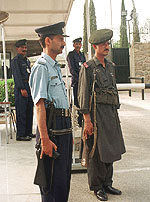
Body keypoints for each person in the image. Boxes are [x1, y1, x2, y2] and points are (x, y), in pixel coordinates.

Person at [78, 29, 126, 201]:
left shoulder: (111, 66)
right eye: (103, 44)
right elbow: (83, 95)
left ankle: (107, 182)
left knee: (111, 148)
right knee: (96, 151)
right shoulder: (88, 68)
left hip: (110, 114)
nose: (107, 47)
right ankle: (97, 186)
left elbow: (113, 91)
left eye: (107, 43)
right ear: (94, 46)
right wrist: (87, 121)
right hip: (96, 116)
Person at [29, 22, 72, 202]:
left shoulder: (54, 65)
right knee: (52, 184)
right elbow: (39, 106)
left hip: (63, 128)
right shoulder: (41, 67)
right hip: (52, 130)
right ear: (48, 41)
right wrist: (45, 139)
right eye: (60, 39)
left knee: (63, 182)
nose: (63, 43)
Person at [11, 39, 35, 141]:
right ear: (17, 49)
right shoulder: (15, 61)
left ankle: (28, 132)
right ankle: (21, 134)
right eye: (22, 48)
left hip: (29, 86)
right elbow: (17, 76)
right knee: (21, 111)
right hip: (21, 87)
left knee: (29, 110)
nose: (24, 49)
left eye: (25, 48)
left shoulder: (26, 60)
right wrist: (22, 88)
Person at [67, 37, 86, 127]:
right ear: (74, 45)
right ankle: (78, 120)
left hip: (83, 81)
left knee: (83, 100)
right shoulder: (71, 55)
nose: (78, 45)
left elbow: (85, 66)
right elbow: (72, 69)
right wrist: (79, 79)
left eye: (79, 44)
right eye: (76, 44)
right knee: (77, 102)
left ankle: (83, 119)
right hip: (77, 81)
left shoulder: (82, 55)